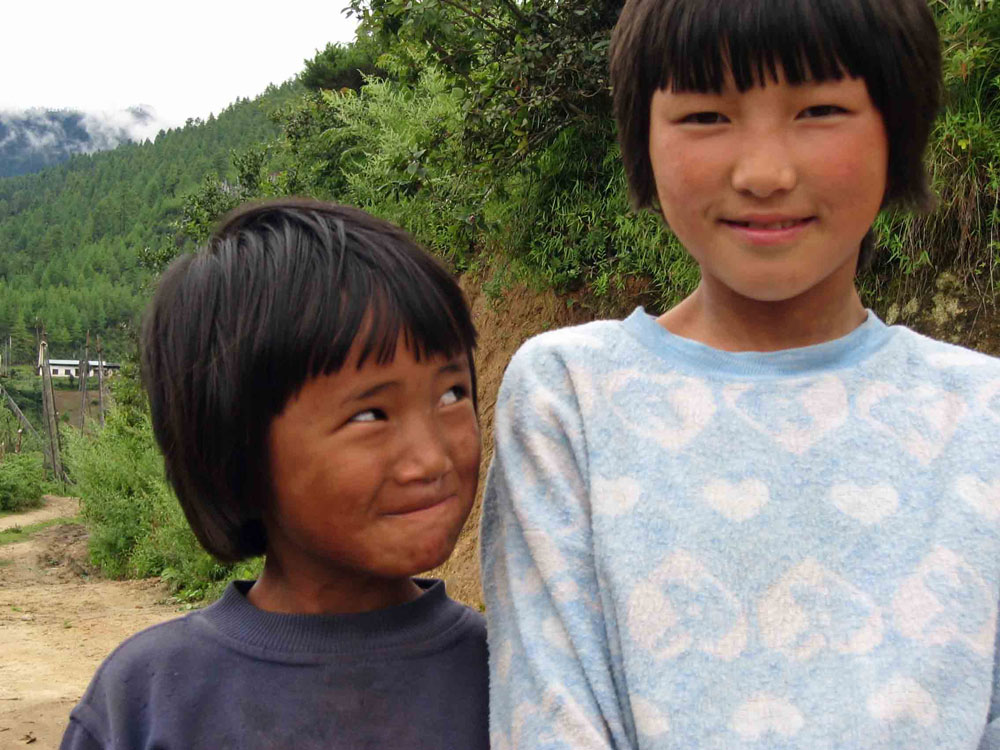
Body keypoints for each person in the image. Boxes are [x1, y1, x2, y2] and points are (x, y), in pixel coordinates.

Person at [481, 0, 1000, 747]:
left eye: (820, 109)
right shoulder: (570, 399)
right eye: (706, 117)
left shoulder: (981, 415)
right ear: (643, 141)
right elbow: (549, 717)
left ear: (899, 129)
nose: (764, 173)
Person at [61, 199, 488, 749]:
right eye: (370, 415)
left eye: (452, 393)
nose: (430, 458)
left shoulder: (514, 678)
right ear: (235, 448)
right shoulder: (146, 702)